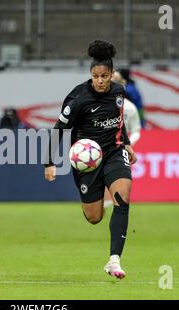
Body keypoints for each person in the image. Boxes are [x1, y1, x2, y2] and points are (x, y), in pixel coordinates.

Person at [44, 40, 137, 280]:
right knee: (94, 217)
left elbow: (119, 122)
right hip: (88, 162)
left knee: (122, 197)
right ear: (90, 75)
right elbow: (58, 129)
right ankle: (91, 200)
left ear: (110, 75)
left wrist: (126, 144)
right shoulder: (78, 99)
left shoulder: (118, 92)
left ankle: (114, 260)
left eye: (104, 76)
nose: (100, 80)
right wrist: (49, 162)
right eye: (96, 76)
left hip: (115, 153)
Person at [103, 70, 141, 208]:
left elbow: (136, 130)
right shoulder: (97, 105)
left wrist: (128, 143)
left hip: (120, 148)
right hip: (102, 146)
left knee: (118, 173)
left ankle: (115, 199)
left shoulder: (130, 109)